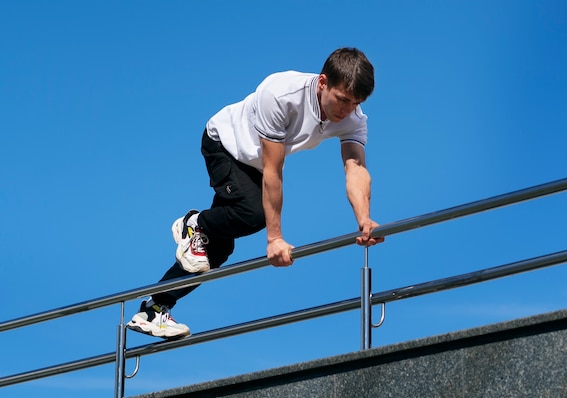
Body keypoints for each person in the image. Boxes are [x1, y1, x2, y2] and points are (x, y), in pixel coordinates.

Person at [127, 47, 384, 339]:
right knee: (253, 213)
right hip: (224, 145)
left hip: (254, 164)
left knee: (217, 248)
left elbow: (356, 169)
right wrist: (274, 239)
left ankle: (154, 308)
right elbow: (272, 171)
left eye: (356, 103)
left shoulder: (353, 118)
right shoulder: (281, 95)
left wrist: (364, 219)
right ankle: (195, 223)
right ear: (323, 83)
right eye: (343, 100)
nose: (347, 111)